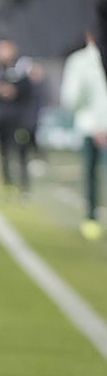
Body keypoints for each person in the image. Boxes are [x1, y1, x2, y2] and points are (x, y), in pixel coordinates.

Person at [59, 32, 107, 241]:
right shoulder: (80, 61)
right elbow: (72, 98)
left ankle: (91, 218)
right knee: (91, 174)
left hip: (93, 127)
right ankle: (91, 219)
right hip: (93, 127)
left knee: (92, 175)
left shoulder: (80, 61)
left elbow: (71, 98)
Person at [0, 38, 35, 197]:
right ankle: (7, 185)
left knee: (21, 152)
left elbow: (27, 89)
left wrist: (10, 90)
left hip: (19, 117)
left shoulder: (21, 66)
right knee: (3, 152)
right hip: (1, 117)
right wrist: (0, 90)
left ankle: (24, 187)